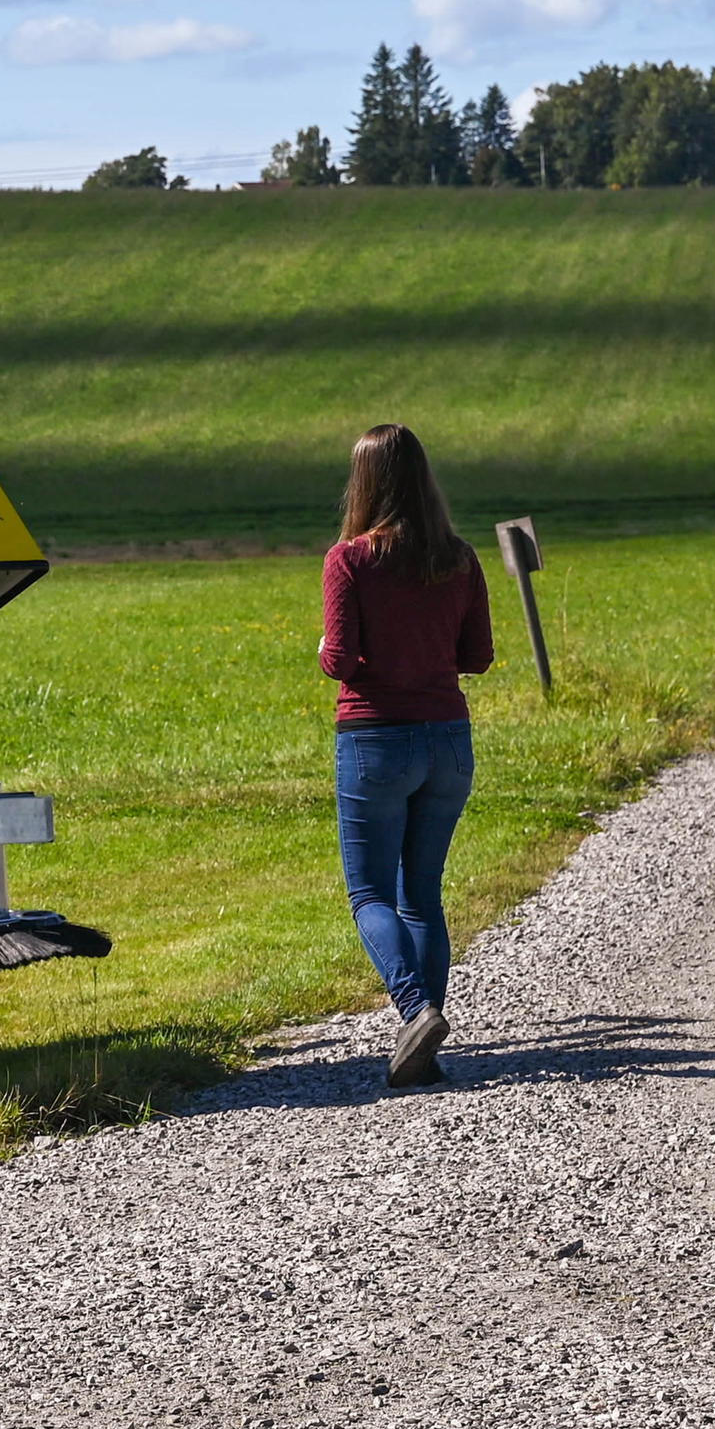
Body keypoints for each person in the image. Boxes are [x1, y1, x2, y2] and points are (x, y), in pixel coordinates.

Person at [320, 421, 493, 1089]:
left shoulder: (350, 560)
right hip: (447, 740)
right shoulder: (459, 558)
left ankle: (415, 1010)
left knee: (369, 891)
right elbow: (476, 657)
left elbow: (340, 659)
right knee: (421, 892)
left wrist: (324, 655)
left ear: (363, 482)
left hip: (375, 739)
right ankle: (425, 1039)